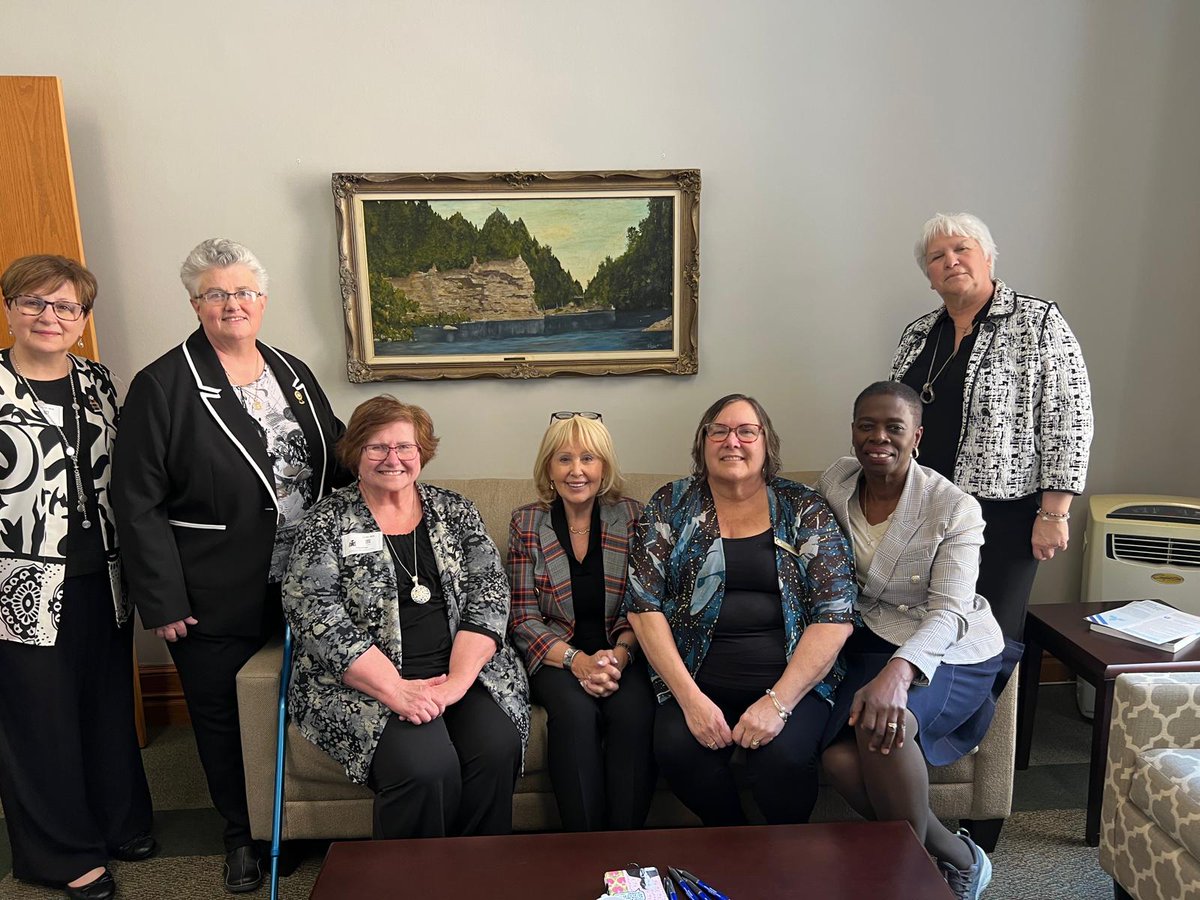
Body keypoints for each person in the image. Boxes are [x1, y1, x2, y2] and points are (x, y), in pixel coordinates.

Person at [111, 239, 345, 893]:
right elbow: (136, 500)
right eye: (216, 293)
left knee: (303, 701)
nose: (231, 304)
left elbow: (334, 448)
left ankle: (298, 820)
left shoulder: (291, 371)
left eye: (243, 292)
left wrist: (394, 453)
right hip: (211, 584)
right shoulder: (163, 384)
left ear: (263, 302)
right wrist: (161, 598)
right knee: (220, 714)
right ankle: (243, 834)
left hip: (304, 580)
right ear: (195, 304)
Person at [283, 396, 530, 839]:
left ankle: (480, 875)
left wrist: (456, 683)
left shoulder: (455, 511)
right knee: (426, 767)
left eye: (405, 447)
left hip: (462, 672)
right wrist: (395, 689)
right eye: (377, 447)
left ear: (422, 453)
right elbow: (314, 612)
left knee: (496, 748)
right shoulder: (328, 522)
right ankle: (412, 881)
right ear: (356, 452)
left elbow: (490, 596)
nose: (392, 459)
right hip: (368, 683)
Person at [818, 381, 1020, 900]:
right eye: (867, 425)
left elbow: (950, 611)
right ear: (854, 431)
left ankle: (910, 883)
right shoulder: (836, 482)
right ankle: (958, 855)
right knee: (837, 761)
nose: (878, 437)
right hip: (871, 636)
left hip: (947, 644)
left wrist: (899, 674)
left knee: (888, 723)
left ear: (917, 437)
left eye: (893, 427)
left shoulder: (953, 507)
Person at [624, 394, 857, 827]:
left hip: (791, 681)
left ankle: (782, 857)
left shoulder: (801, 507)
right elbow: (643, 606)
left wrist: (778, 703)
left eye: (746, 431)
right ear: (703, 442)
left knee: (783, 760)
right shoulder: (671, 504)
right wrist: (690, 700)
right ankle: (731, 835)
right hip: (695, 677)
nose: (733, 441)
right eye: (720, 430)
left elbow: (835, 614)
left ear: (766, 443)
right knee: (675, 749)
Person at [0, 256, 153, 900]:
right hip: (20, 578)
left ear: (83, 320)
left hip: (103, 574)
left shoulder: (96, 381)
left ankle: (118, 823)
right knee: (39, 719)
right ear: (9, 307)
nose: (50, 317)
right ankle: (58, 854)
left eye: (66, 307)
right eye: (35, 302)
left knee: (105, 705)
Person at [893, 212, 1093, 640]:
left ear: (987, 257)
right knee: (929, 627)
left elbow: (1069, 421)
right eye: (936, 257)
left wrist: (1054, 512)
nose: (951, 261)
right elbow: (893, 420)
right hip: (925, 508)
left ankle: (988, 710)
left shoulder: (1037, 323)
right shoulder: (918, 334)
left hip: (1004, 514)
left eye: (961, 249)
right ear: (929, 277)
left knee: (991, 634)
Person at [507, 411, 655, 831]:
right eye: (564, 459)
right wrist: (578, 662)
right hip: (556, 656)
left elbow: (643, 604)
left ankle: (626, 848)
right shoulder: (527, 522)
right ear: (548, 468)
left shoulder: (631, 517)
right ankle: (585, 844)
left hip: (622, 651)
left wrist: (620, 656)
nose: (577, 471)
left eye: (588, 458)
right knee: (574, 715)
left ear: (603, 467)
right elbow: (522, 616)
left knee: (634, 713)